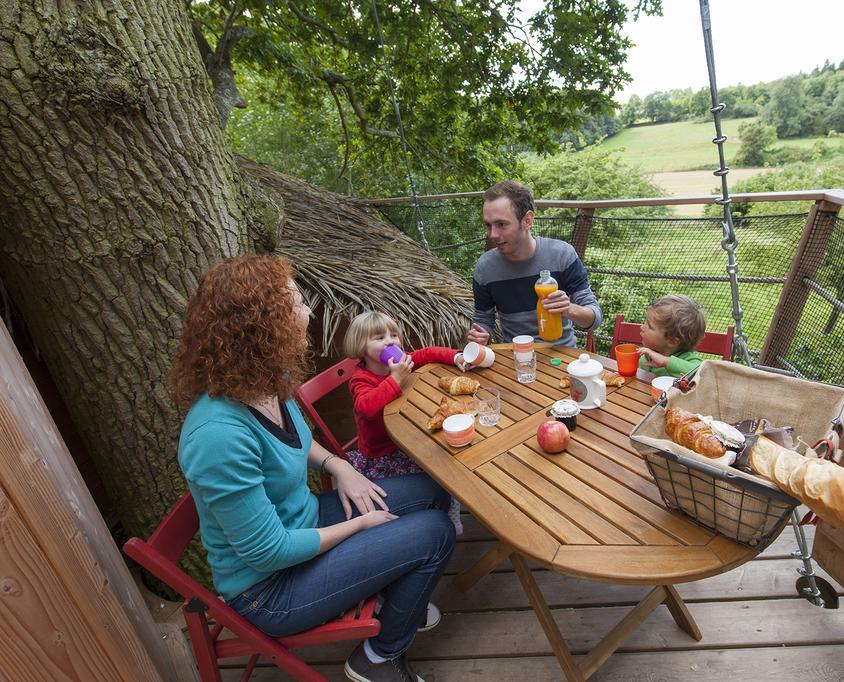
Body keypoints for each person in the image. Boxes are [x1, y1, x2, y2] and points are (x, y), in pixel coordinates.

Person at [170, 255, 453, 682]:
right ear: (265, 324)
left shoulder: (267, 380)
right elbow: (269, 552)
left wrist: (341, 466)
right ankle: (378, 658)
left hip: (305, 523)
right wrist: (361, 526)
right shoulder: (216, 435)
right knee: (437, 532)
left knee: (432, 493)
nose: (308, 313)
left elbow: (299, 442)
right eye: (297, 304)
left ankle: (401, 601)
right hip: (272, 589)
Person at [343, 310, 468, 534]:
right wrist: (395, 379)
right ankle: (427, 517)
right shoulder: (361, 379)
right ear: (361, 347)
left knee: (450, 459)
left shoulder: (401, 362)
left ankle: (452, 511)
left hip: (408, 437)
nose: (390, 341)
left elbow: (427, 353)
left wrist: (455, 356)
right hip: (385, 453)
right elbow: (366, 408)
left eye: (393, 335)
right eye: (379, 338)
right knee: (440, 468)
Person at [467, 180, 602, 347]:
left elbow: (595, 317)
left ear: (528, 221)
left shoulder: (562, 255)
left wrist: (569, 309)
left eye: (501, 224)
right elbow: (483, 319)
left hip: (561, 356)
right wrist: (482, 335)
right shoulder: (485, 267)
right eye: (488, 225)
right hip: (516, 357)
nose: (492, 235)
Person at [636, 294, 707, 379]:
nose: (642, 327)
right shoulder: (645, 358)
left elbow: (703, 375)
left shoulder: (689, 360)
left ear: (672, 341)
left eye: (650, 326)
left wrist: (666, 362)